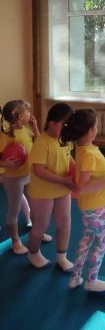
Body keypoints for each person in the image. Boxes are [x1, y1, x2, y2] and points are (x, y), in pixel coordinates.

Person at [60, 108, 105, 292]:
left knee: (88, 238)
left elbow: (93, 174)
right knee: (103, 240)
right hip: (95, 207)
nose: (97, 129)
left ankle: (75, 277)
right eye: (96, 126)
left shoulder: (84, 149)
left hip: (89, 206)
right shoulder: (88, 154)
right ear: (90, 131)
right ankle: (91, 281)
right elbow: (83, 185)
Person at [27, 103, 76, 270]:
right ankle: (33, 253)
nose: (68, 129)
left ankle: (62, 257)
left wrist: (76, 172)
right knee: (41, 225)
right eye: (64, 124)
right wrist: (63, 180)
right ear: (52, 123)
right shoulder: (42, 142)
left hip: (62, 189)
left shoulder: (65, 139)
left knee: (65, 223)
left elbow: (69, 158)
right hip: (42, 191)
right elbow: (39, 170)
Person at [0, 100, 49, 254]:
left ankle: (37, 232)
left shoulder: (25, 130)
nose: (30, 114)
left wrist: (35, 128)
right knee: (14, 209)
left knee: (35, 205)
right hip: (13, 178)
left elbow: (38, 144)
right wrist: (4, 164)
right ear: (20, 116)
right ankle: (15, 241)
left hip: (29, 174)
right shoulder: (6, 135)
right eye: (27, 111)